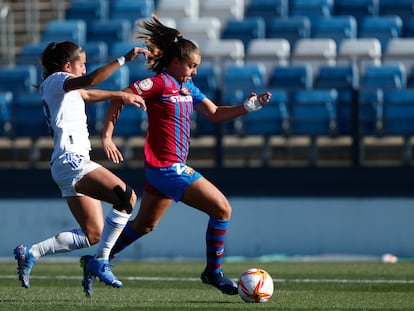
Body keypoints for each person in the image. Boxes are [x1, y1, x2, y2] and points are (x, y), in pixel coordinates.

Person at [84, 15, 272, 296]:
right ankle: (213, 273)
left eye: (196, 66)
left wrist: (248, 106)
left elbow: (214, 113)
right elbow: (120, 95)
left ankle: (99, 261)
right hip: (166, 168)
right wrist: (107, 136)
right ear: (176, 62)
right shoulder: (158, 84)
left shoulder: (187, 88)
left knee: (145, 225)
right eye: (191, 66)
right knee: (222, 209)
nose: (194, 71)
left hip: (167, 169)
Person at [13, 41, 149, 295]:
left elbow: (87, 94)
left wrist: (120, 95)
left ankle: (31, 252)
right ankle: (101, 262)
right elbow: (90, 82)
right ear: (67, 66)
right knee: (126, 197)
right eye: (82, 63)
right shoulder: (57, 80)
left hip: (66, 163)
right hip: (71, 160)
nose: (85, 67)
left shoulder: (59, 87)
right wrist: (123, 60)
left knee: (93, 234)